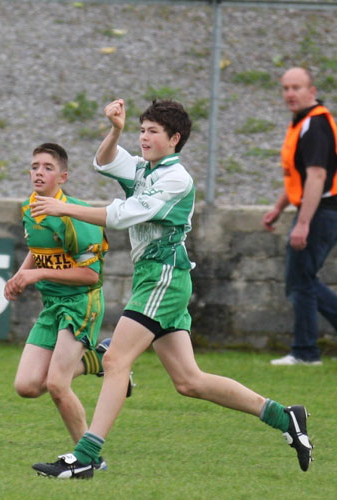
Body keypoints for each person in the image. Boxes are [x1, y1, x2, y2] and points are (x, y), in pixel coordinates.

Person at [30, 99, 313, 479]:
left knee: (115, 361)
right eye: (142, 130)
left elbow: (122, 215)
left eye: (152, 132)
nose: (143, 137)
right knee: (189, 382)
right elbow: (104, 162)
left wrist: (64, 209)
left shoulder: (175, 179)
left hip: (164, 278)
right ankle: (284, 416)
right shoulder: (145, 169)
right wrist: (115, 130)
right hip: (157, 278)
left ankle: (86, 456)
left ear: (174, 138)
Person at [4, 143, 121, 471]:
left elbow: (89, 275)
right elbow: (37, 248)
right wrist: (21, 274)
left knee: (57, 383)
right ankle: (99, 359)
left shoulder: (75, 217)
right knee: (27, 386)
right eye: (34, 166)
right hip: (52, 305)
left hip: (80, 304)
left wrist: (37, 273)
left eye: (47, 167)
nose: (39, 172)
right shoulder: (31, 207)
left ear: (63, 176)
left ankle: (89, 460)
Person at [263, 67, 337, 366]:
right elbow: (299, 175)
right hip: (315, 209)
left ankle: (306, 352)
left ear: (312, 90)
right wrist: (279, 207)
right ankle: (304, 350)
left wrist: (303, 223)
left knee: (301, 280)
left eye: (296, 87)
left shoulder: (315, 125)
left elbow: (318, 176)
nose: (290, 94)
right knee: (300, 279)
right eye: (285, 88)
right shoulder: (302, 123)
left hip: (322, 211)